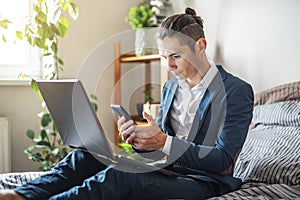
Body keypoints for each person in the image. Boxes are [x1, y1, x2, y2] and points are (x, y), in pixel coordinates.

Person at [0, 7, 254, 200]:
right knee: (85, 157)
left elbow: (221, 160)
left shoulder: (236, 91)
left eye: (176, 56)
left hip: (201, 181)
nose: (170, 66)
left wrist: (163, 141)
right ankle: (21, 196)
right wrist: (141, 139)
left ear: (201, 46)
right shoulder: (170, 87)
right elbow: (160, 149)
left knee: (121, 176)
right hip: (163, 168)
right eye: (165, 57)